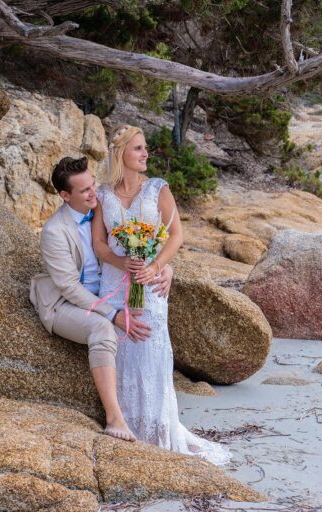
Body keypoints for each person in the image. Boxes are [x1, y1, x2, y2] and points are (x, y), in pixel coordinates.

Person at [91, 125, 231, 465]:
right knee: (121, 351)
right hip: (114, 282)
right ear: (121, 152)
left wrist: (157, 267)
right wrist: (120, 260)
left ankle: (157, 431)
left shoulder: (157, 189)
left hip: (150, 284)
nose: (144, 154)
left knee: (151, 350)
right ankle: (124, 424)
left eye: (145, 148)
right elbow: (98, 243)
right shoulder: (104, 193)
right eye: (137, 148)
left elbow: (176, 235)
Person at [30, 156, 173, 442]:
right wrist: (114, 315)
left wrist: (164, 267)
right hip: (63, 304)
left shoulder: (98, 211)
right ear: (65, 196)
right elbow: (69, 288)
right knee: (103, 329)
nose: (93, 192)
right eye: (84, 190)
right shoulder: (54, 231)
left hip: (101, 294)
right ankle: (115, 418)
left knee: (142, 323)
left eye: (93, 184)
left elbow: (136, 246)